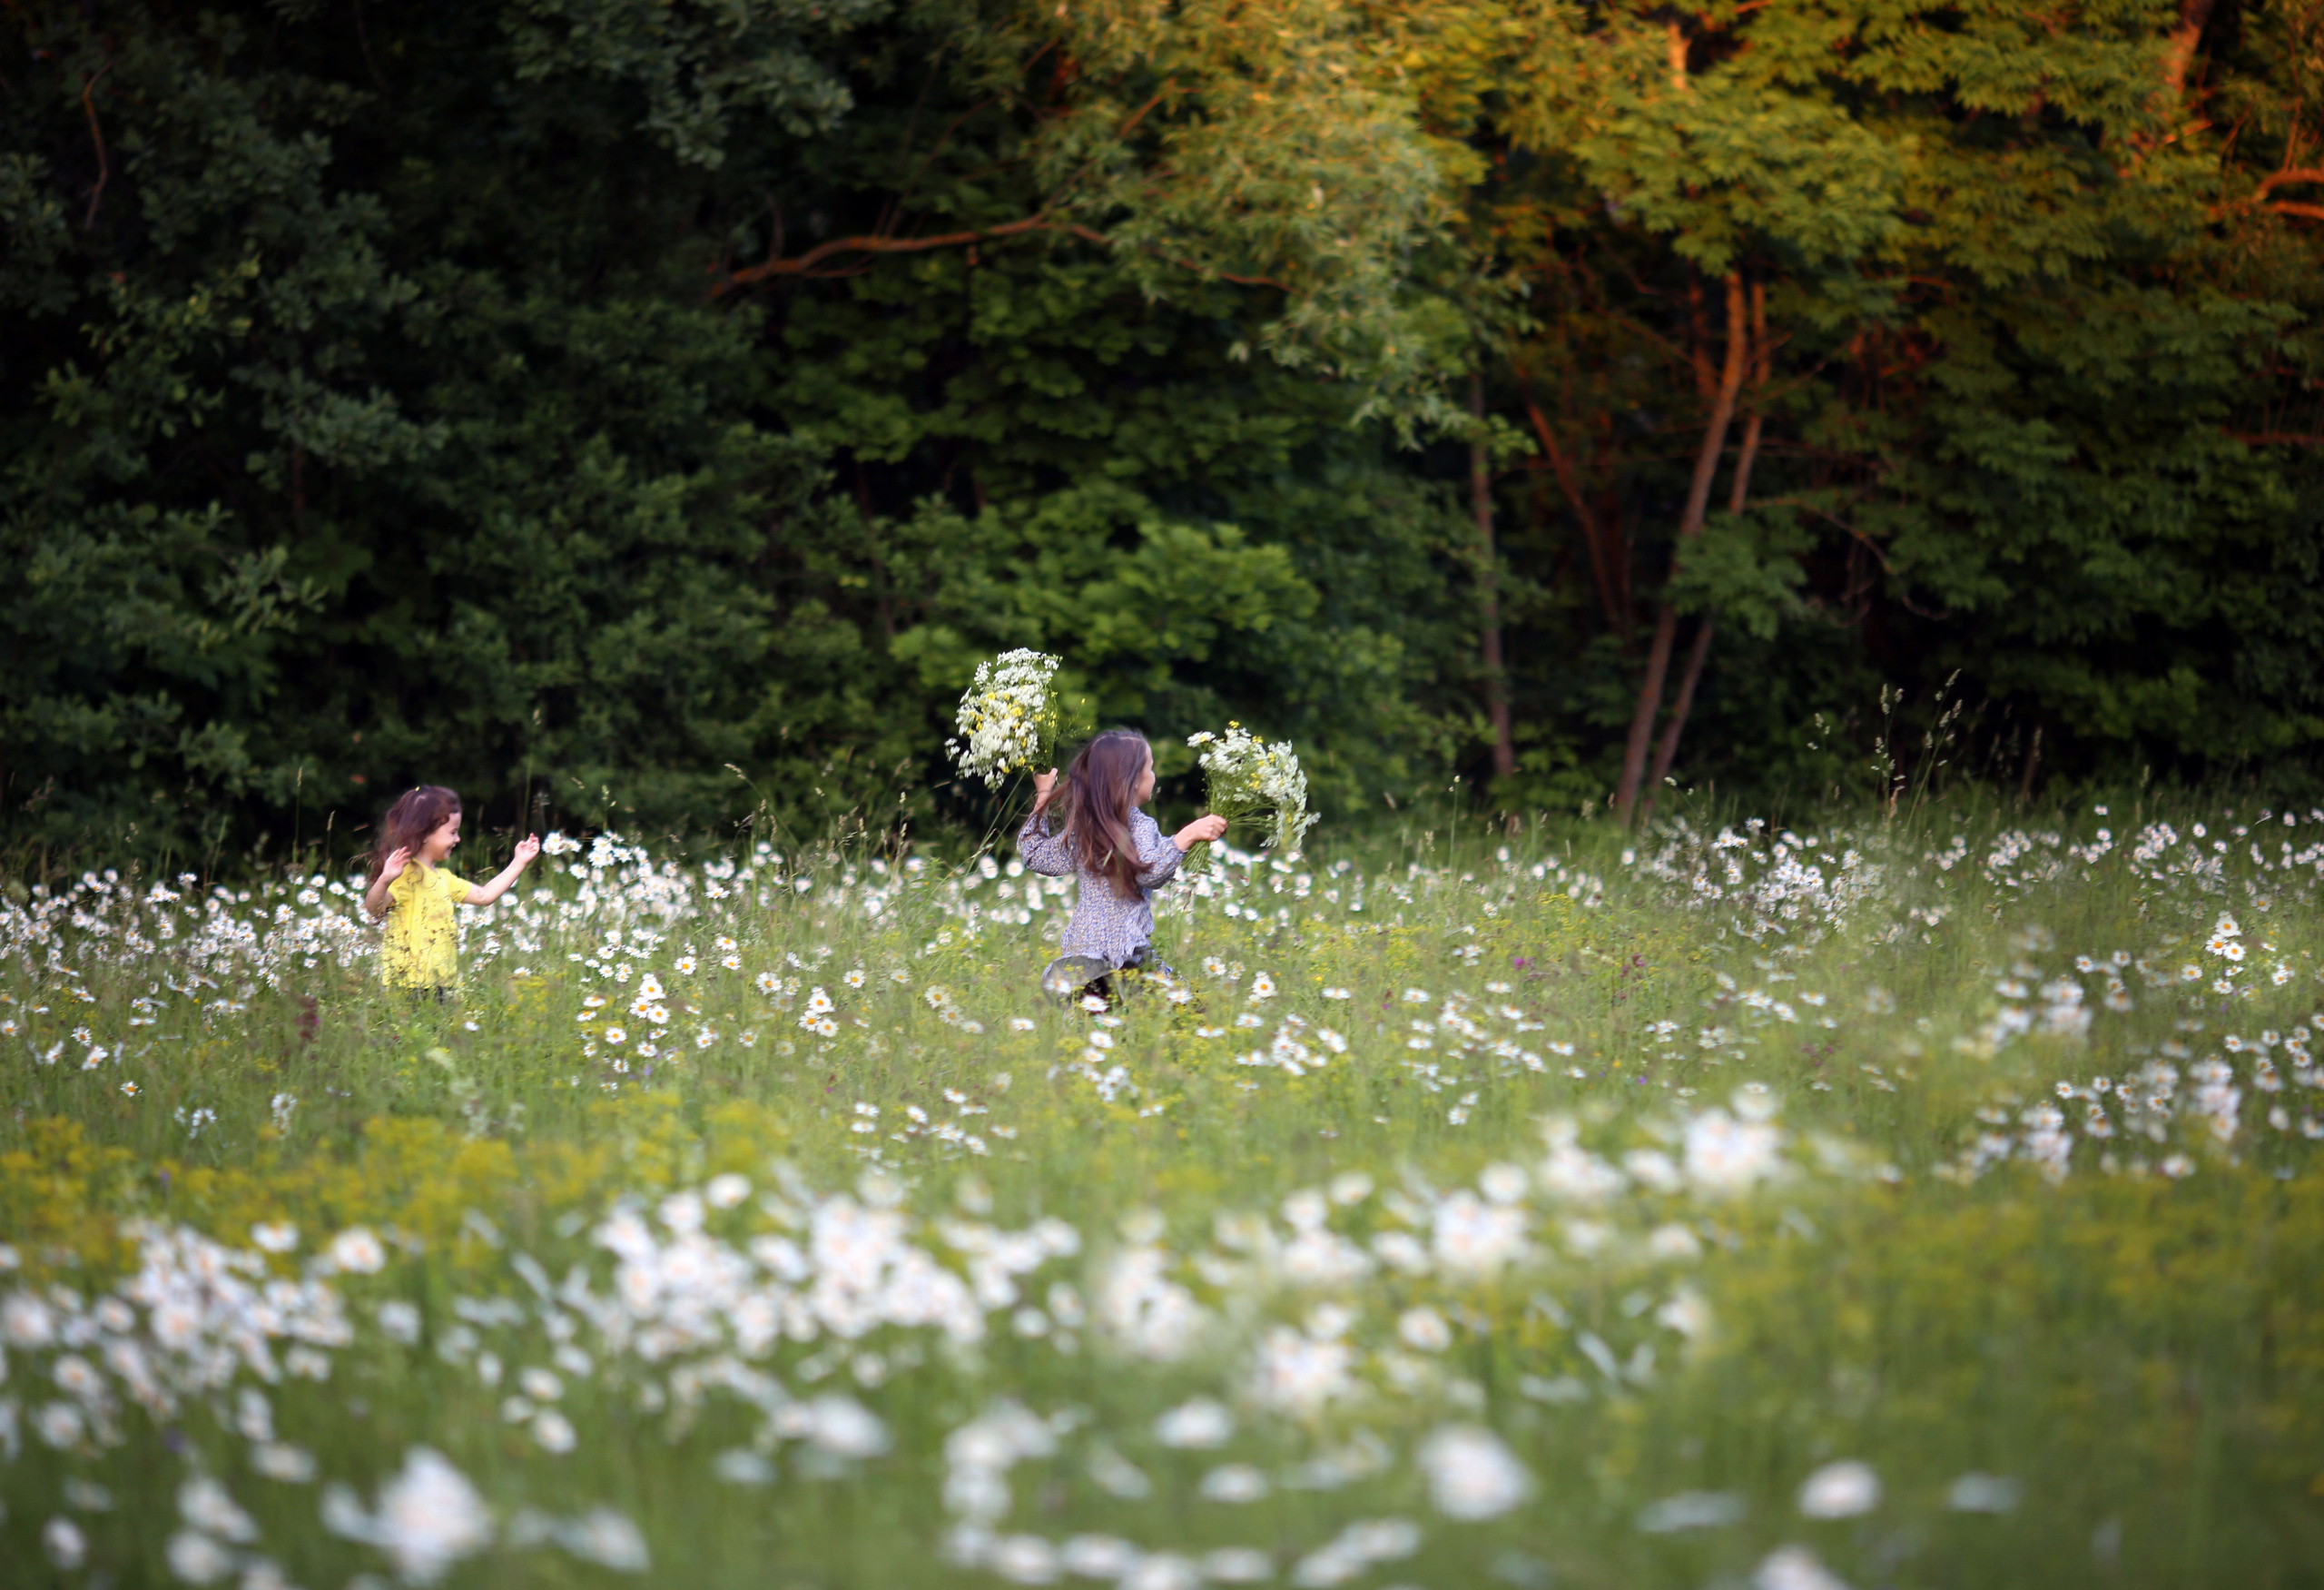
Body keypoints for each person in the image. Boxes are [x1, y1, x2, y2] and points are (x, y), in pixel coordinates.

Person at [1019, 729, 1227, 995]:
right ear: (1131, 779)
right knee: (1185, 1012)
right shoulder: (1139, 824)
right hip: (1125, 956)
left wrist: (1044, 793)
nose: (1154, 776)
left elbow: (1035, 854)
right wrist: (1187, 836)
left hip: (1083, 958)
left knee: (1099, 1025)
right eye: (1150, 769)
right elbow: (1149, 874)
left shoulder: (1086, 828)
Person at [361, 785, 539, 997]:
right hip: (408, 984)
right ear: (425, 833)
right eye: (453, 833)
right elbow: (374, 907)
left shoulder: (444, 878)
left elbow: (485, 896)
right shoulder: (406, 874)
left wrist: (519, 862)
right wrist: (384, 879)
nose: (458, 839)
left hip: (441, 982)